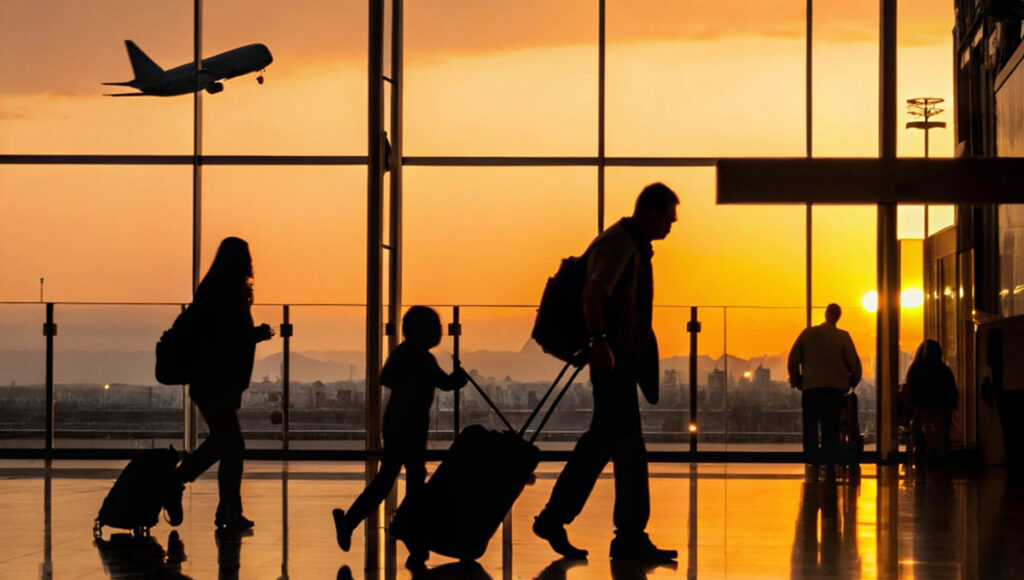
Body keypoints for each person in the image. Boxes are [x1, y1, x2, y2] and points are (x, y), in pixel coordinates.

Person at [532, 182, 679, 562]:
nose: (671, 225)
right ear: (651, 212)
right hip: (612, 361)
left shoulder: (628, 243)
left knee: (608, 443)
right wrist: (599, 342)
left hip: (616, 359)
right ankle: (622, 534)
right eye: (668, 217)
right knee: (623, 446)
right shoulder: (620, 245)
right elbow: (593, 293)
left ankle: (567, 520)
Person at [332, 306, 468, 568]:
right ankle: (410, 538)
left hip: (400, 426)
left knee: (390, 480)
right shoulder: (422, 359)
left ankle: (366, 525)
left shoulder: (408, 355)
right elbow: (445, 384)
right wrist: (456, 378)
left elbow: (388, 378)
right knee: (412, 483)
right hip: (410, 427)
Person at [171, 237, 275, 530]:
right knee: (231, 444)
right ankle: (180, 483)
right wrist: (254, 335)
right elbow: (227, 339)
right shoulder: (228, 292)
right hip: (217, 381)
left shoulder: (214, 289)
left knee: (227, 444)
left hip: (212, 381)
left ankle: (223, 507)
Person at [788, 303, 862, 465]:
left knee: (811, 427)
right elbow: (854, 364)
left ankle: (812, 461)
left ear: (825, 314)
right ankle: (829, 461)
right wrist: (852, 382)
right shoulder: (843, 337)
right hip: (834, 390)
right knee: (831, 427)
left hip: (811, 388)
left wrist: (799, 381)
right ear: (838, 317)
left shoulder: (807, 334)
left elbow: (793, 360)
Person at [904, 339, 958, 463]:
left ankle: (925, 454)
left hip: (922, 411)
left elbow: (913, 396)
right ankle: (940, 454)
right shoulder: (945, 371)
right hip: (941, 410)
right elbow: (952, 394)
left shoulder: (915, 372)